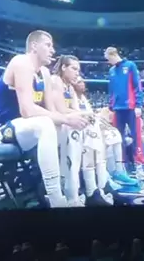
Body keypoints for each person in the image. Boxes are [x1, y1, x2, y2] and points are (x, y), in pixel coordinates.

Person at [0, 31, 91, 207]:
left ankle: (71, 192)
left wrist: (69, 119)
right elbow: (27, 110)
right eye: (48, 45)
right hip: (0, 128)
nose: (53, 50)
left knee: (68, 127)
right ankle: (55, 199)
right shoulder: (21, 62)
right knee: (46, 124)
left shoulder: (45, 73)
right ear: (34, 46)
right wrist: (66, 118)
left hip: (25, 128)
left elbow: (51, 111)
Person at [71, 75, 114, 206]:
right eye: (79, 82)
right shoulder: (71, 96)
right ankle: (92, 190)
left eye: (83, 81)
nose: (82, 84)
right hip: (77, 130)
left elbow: (91, 115)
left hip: (88, 129)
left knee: (108, 135)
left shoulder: (83, 98)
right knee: (92, 142)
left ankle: (102, 185)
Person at [49, 55, 85, 206]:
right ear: (63, 67)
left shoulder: (69, 86)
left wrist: (87, 116)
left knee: (91, 126)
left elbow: (75, 109)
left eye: (78, 70)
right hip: (52, 124)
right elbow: (61, 110)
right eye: (74, 69)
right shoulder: (55, 80)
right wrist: (84, 115)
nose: (77, 73)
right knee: (74, 127)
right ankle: (72, 193)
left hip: (62, 122)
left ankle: (94, 185)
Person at [105, 47, 144, 174]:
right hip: (117, 109)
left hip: (131, 107)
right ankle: (123, 163)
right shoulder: (111, 70)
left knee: (135, 135)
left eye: (108, 59)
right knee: (119, 137)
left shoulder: (130, 65)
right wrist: (111, 107)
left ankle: (138, 161)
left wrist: (138, 105)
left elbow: (137, 85)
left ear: (113, 55)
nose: (108, 62)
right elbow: (111, 91)